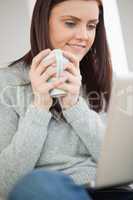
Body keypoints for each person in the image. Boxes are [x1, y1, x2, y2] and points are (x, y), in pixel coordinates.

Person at [0, 0, 132, 199]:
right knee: (37, 183)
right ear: (43, 23)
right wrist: (40, 105)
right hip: (51, 193)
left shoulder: (107, 79)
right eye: (70, 23)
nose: (84, 36)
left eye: (91, 26)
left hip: (109, 193)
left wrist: (74, 105)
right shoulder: (7, 83)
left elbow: (122, 167)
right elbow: (5, 183)